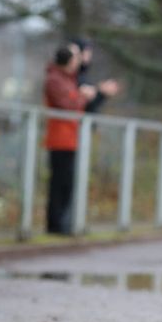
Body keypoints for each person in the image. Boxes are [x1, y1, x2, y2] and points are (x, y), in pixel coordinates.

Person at [43, 43, 97, 234]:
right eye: (75, 59)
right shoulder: (55, 79)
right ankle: (57, 225)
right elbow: (68, 104)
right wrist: (83, 96)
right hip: (60, 139)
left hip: (70, 138)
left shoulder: (67, 78)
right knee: (60, 184)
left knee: (67, 184)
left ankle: (64, 223)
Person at [71, 38, 120, 114]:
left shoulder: (83, 72)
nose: (88, 57)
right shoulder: (73, 73)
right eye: (86, 53)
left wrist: (101, 93)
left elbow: (90, 106)